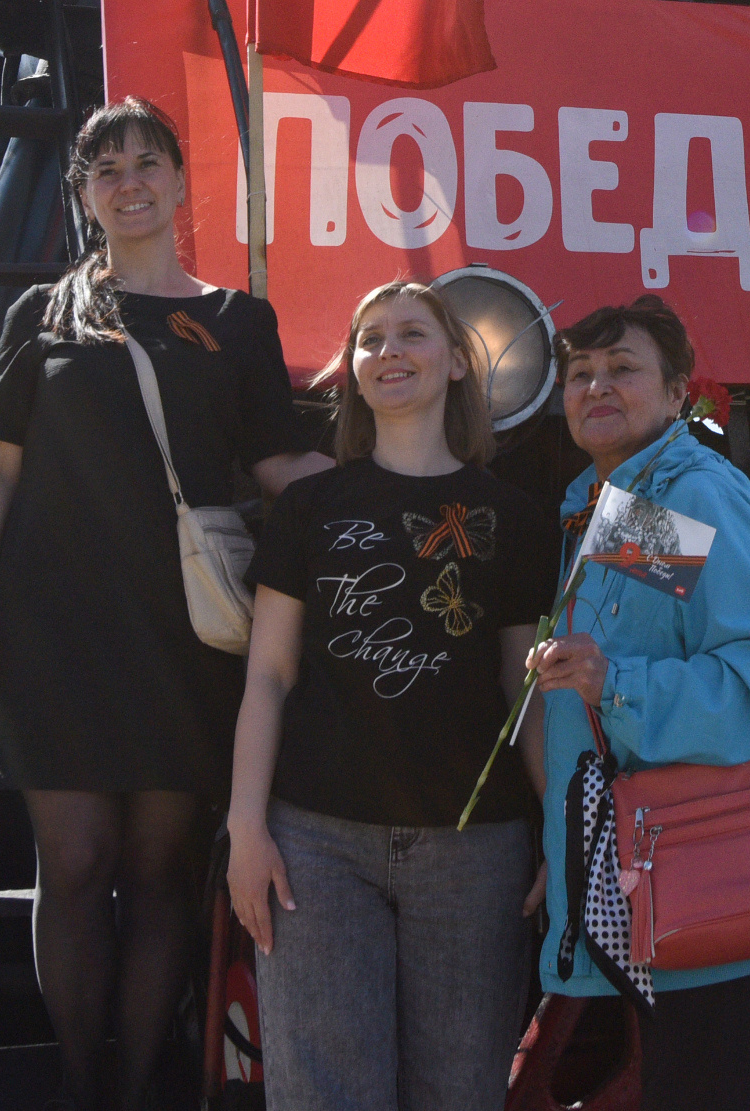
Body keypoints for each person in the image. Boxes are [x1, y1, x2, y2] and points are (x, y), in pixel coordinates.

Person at [0, 97, 326, 1111]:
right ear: (84, 193)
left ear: (178, 179)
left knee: (161, 872)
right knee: (74, 862)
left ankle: (136, 1080)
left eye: (146, 160)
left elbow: (276, 459)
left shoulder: (241, 320)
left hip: (185, 626)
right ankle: (81, 1086)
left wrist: (394, 487)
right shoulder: (45, 313)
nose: (129, 179)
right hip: (53, 623)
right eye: (106, 166)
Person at [228, 281, 556, 1111]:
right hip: (317, 848)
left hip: (475, 854)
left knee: (459, 1094)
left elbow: (527, 690)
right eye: (370, 339)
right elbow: (268, 674)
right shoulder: (309, 507)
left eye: (411, 334)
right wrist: (244, 829)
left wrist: (558, 828)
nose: (390, 351)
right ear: (353, 372)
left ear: (454, 362)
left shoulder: (513, 516)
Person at [524, 296, 750, 1111]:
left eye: (623, 369)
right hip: (647, 866)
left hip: (696, 861)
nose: (596, 387)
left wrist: (614, 682)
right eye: (580, 373)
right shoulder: (617, 508)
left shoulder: (688, 492)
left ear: (676, 395)